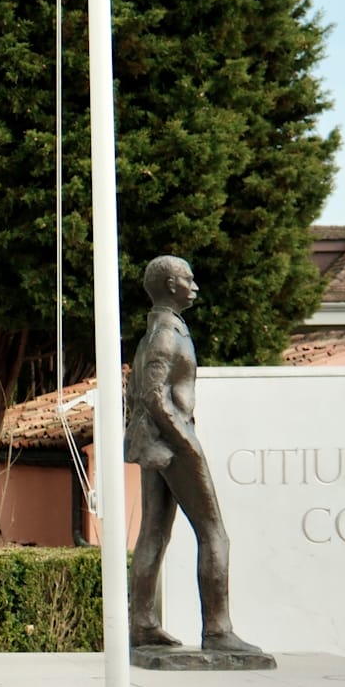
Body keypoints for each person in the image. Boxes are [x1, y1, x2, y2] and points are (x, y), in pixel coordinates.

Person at [125, 255, 264, 654]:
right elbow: (153, 397)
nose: (195, 285)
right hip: (172, 441)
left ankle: (143, 624)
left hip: (155, 443)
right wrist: (185, 443)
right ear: (171, 286)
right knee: (214, 533)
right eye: (188, 278)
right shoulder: (166, 335)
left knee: (154, 531)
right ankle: (218, 630)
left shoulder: (156, 333)